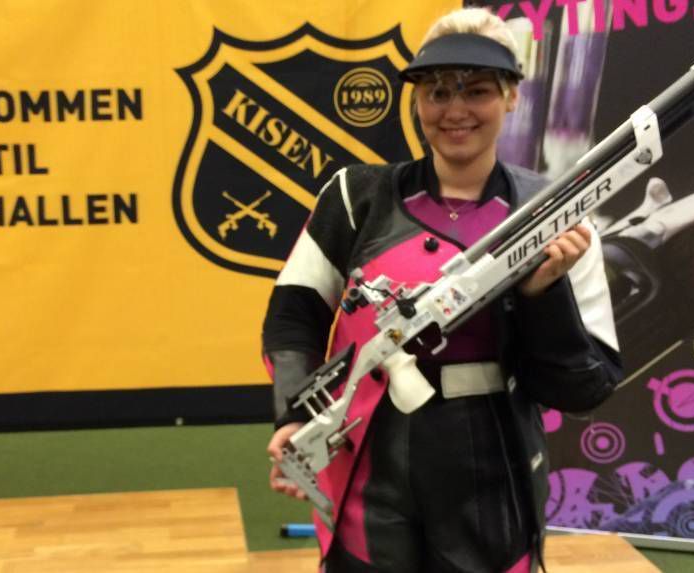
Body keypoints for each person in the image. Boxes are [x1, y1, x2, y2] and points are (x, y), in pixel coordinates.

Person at [262, 8, 623, 573]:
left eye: (477, 91)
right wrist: (294, 415)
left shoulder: (556, 217)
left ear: (511, 97)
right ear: (416, 100)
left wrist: (543, 295)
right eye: (437, 92)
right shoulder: (355, 198)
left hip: (493, 477)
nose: (455, 111)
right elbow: (293, 316)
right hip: (365, 464)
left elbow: (583, 386)